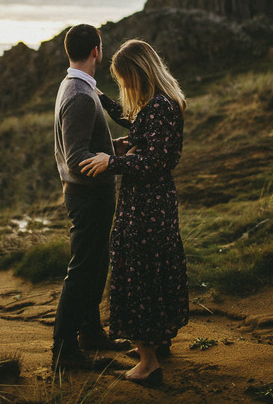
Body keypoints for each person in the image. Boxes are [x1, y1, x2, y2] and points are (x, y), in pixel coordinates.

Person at [80, 39, 189, 387]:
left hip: (144, 204)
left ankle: (148, 363)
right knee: (156, 268)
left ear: (139, 74)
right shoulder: (165, 103)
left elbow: (153, 161)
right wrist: (102, 101)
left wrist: (110, 161)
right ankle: (158, 343)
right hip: (158, 203)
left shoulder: (157, 107)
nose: (125, 86)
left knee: (137, 271)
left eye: (125, 79)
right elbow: (139, 129)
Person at [51, 24, 128, 372]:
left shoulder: (76, 86)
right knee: (83, 270)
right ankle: (64, 351)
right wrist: (113, 162)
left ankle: (91, 332)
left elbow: (87, 145)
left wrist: (113, 149)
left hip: (90, 193)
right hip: (87, 196)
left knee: (96, 265)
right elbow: (75, 156)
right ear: (96, 50)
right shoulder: (80, 94)